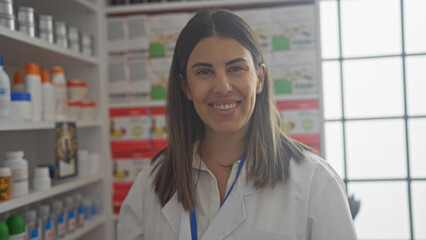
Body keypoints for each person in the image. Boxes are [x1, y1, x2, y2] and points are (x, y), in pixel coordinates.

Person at [117, 9, 358, 240]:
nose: (222, 87)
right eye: (204, 72)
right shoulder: (151, 183)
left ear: (260, 78)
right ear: (186, 87)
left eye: (235, 68)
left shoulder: (315, 181)